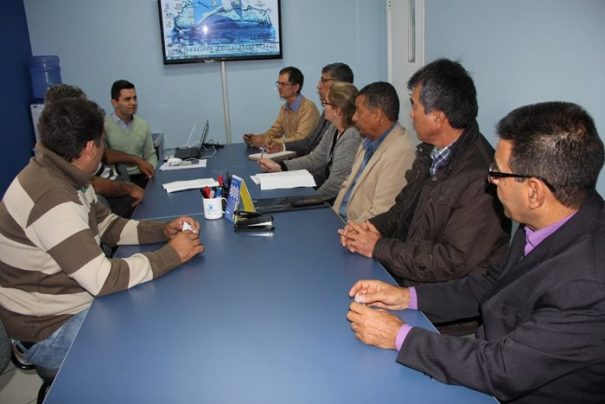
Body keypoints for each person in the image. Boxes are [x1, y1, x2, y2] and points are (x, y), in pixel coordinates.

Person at [347, 101, 605, 402]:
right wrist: (408, 297)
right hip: (492, 354)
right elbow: (492, 283)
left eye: (498, 172)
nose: (490, 179)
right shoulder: (550, 215)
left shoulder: (590, 282)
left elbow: (504, 368)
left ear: (534, 192)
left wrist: (398, 336)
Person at [0, 98, 204, 374]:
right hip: (48, 329)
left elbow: (108, 226)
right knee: (155, 345)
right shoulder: (52, 198)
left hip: (70, 302)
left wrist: (162, 230)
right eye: (102, 141)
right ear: (89, 148)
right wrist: (172, 254)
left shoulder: (66, 175)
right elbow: (103, 279)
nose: (105, 149)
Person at [338, 60, 510, 310]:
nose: (410, 114)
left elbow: (452, 260)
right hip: (407, 278)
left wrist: (378, 247)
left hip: (441, 308)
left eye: (414, 106)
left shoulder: (479, 177)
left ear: (438, 117)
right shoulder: (430, 152)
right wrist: (367, 229)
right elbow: (401, 210)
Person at [44, 84, 145, 217]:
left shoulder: (76, 136)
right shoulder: (62, 147)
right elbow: (91, 182)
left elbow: (104, 155)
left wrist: (136, 160)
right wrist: (128, 187)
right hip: (109, 199)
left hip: (117, 186)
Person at [258, 82, 362, 202]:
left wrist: (308, 201)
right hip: (328, 194)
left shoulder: (351, 137)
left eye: (326, 103)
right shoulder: (334, 128)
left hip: (338, 201)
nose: (324, 107)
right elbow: (316, 158)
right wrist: (281, 166)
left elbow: (336, 185)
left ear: (337, 110)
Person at [332, 82, 414, 223]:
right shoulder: (367, 142)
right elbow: (347, 187)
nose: (354, 118)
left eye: (358, 111)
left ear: (376, 115)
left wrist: (345, 232)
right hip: (339, 223)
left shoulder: (401, 151)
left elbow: (381, 212)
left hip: (356, 234)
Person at [266, 62, 355, 157]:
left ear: (339, 84)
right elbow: (311, 141)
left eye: (323, 80)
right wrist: (280, 146)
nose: (318, 86)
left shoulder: (347, 126)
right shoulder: (327, 110)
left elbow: (319, 156)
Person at [243, 66, 320, 150]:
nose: (279, 87)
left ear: (296, 87)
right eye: (278, 83)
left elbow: (301, 139)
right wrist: (256, 138)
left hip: (304, 156)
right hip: (290, 153)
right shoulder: (284, 107)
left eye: (283, 84)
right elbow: (276, 131)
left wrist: (267, 141)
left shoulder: (309, 108)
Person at [104, 80, 158, 188]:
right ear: (114, 103)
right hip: (118, 181)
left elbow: (150, 155)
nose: (133, 103)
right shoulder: (104, 126)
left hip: (143, 177)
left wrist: (151, 170)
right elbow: (104, 157)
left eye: (135, 98)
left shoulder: (143, 125)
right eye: (127, 99)